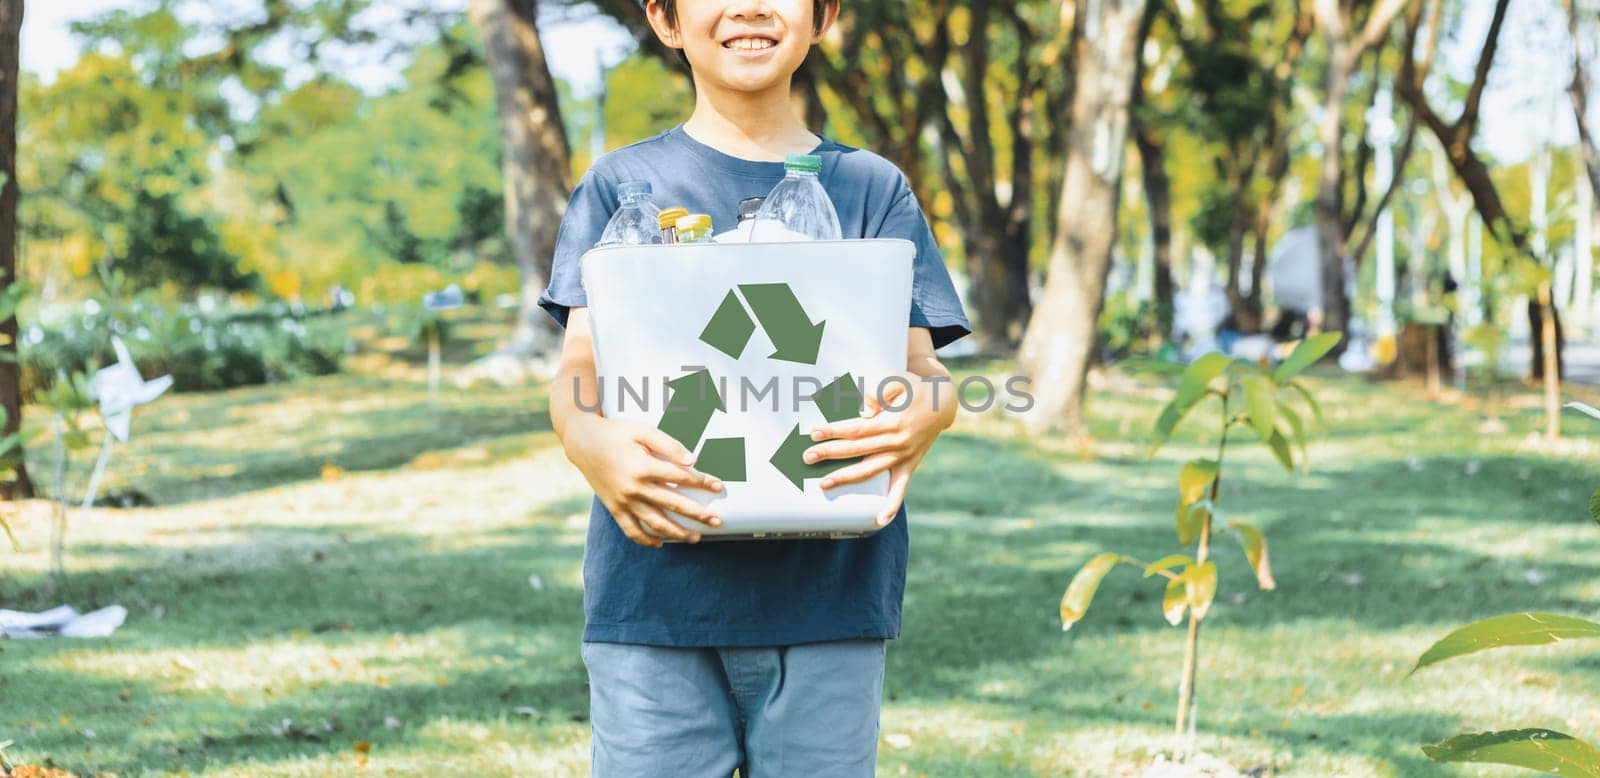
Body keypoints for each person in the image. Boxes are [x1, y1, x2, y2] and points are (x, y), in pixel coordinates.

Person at [537, 1, 972, 775]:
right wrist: (589, 441)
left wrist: (925, 417)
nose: (747, 6)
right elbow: (580, 371)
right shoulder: (620, 187)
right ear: (665, 20)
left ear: (823, 14)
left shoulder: (870, 188)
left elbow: (926, 373)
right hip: (653, 595)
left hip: (829, 595)